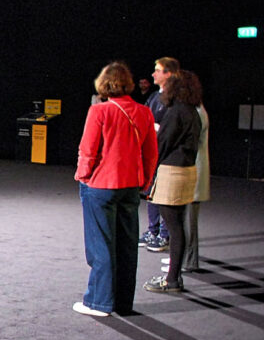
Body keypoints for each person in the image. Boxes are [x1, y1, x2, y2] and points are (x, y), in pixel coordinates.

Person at [73, 62, 157, 317]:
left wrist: (82, 175)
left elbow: (88, 149)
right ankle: (122, 302)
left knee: (100, 245)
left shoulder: (99, 111)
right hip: (130, 186)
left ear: (104, 84)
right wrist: (145, 181)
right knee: (127, 246)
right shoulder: (144, 112)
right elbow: (150, 153)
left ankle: (98, 302)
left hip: (101, 185)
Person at [143, 71, 203, 294]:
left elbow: (162, 144)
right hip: (187, 171)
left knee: (174, 226)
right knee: (177, 226)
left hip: (172, 172)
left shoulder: (176, 111)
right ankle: (174, 277)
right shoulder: (192, 111)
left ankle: (171, 280)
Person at [140, 57, 180, 253]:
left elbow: (175, 127)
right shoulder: (155, 97)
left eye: (158, 70)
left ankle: (165, 234)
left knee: (165, 195)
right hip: (153, 153)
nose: (153, 74)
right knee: (151, 192)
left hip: (168, 155)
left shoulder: (177, 98)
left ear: (168, 74)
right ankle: (152, 231)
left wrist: (157, 128)